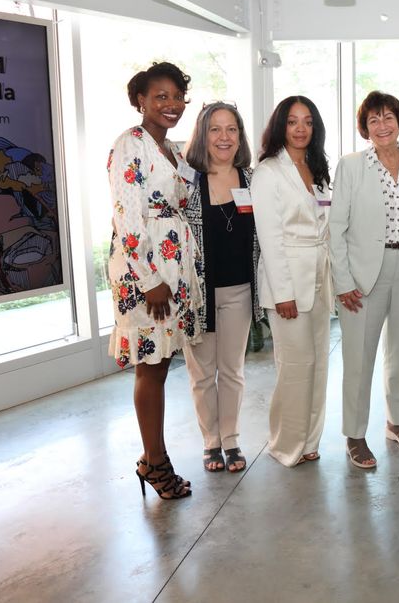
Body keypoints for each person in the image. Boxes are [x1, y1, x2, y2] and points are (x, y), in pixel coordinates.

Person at [107, 61, 200, 500]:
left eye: (177, 96)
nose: (171, 104)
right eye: (160, 96)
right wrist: (148, 280)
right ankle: (154, 462)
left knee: (160, 365)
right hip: (144, 271)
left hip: (170, 268)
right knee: (151, 365)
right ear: (140, 100)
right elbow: (127, 216)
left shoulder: (172, 150)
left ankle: (153, 458)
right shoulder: (130, 145)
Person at [330, 91, 399, 469]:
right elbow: (336, 227)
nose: (382, 125)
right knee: (359, 358)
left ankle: (396, 422)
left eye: (388, 117)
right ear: (365, 127)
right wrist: (343, 281)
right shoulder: (353, 166)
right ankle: (355, 435)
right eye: (373, 119)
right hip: (363, 275)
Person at [251, 96, 332, 468]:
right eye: (293, 121)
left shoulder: (317, 167)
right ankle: (286, 443)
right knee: (295, 366)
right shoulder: (269, 171)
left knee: (317, 364)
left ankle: (309, 440)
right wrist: (282, 293)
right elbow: (269, 238)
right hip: (287, 284)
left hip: (318, 277)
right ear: (280, 125)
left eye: (308, 122)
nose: (301, 128)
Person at [182, 102, 260, 474]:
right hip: (199, 295)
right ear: (203, 134)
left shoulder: (252, 178)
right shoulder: (186, 181)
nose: (224, 137)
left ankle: (230, 439)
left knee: (232, 370)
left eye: (232, 129)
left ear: (240, 136)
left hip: (240, 290)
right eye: (215, 129)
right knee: (201, 374)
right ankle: (210, 441)